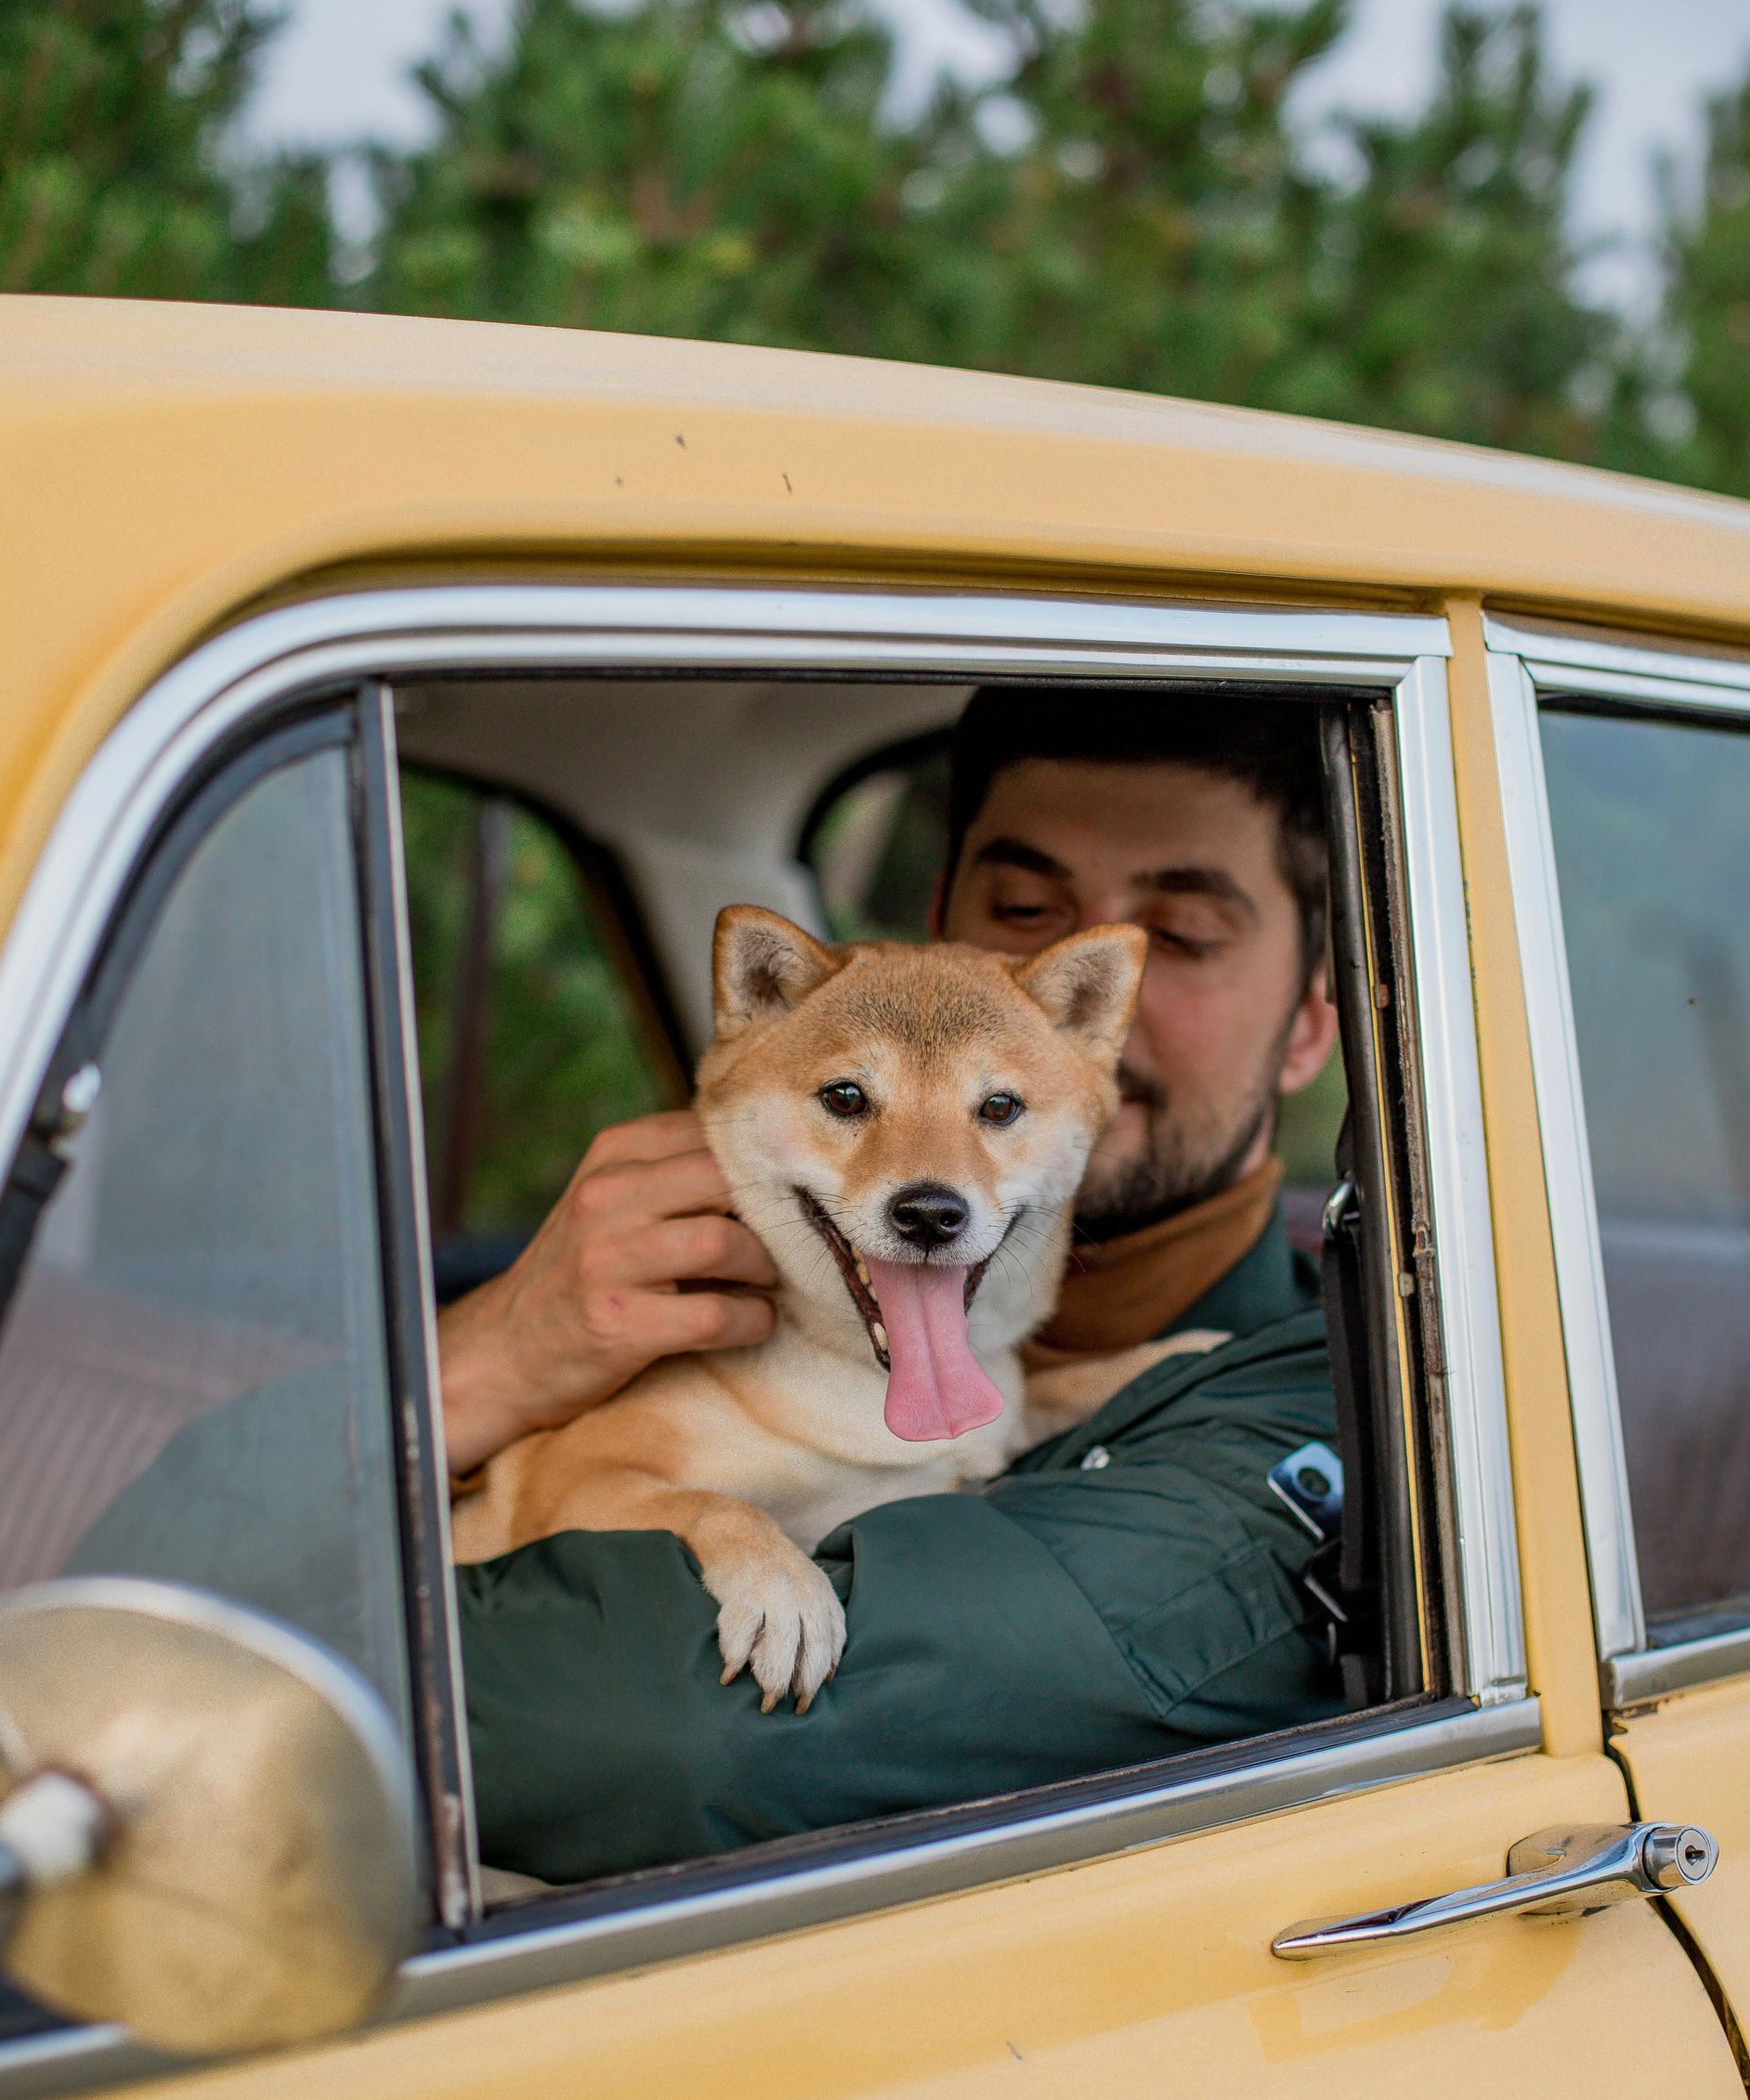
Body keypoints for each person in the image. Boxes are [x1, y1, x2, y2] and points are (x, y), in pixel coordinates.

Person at [449, 693, 1345, 1883]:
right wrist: (474, 1372)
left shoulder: (1311, 1404)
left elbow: (694, 1744)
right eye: (1021, 916)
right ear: (942, 936)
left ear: (1309, 1027)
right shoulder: (701, 1328)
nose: (931, 1178)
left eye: (1179, 938)